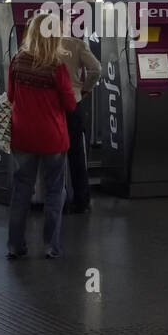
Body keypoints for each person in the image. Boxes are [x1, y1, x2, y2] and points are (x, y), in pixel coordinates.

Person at [6, 13, 77, 260]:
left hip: (23, 136)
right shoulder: (57, 68)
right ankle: (51, 246)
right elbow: (70, 104)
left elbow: (10, 96)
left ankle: (15, 245)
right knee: (54, 191)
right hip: (52, 138)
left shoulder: (17, 62)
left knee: (21, 191)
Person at [57, 31, 102, 213]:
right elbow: (96, 69)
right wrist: (85, 89)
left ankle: (53, 199)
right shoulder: (76, 44)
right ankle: (81, 199)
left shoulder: (41, 45)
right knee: (76, 153)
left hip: (49, 105)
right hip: (73, 102)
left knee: (52, 154)